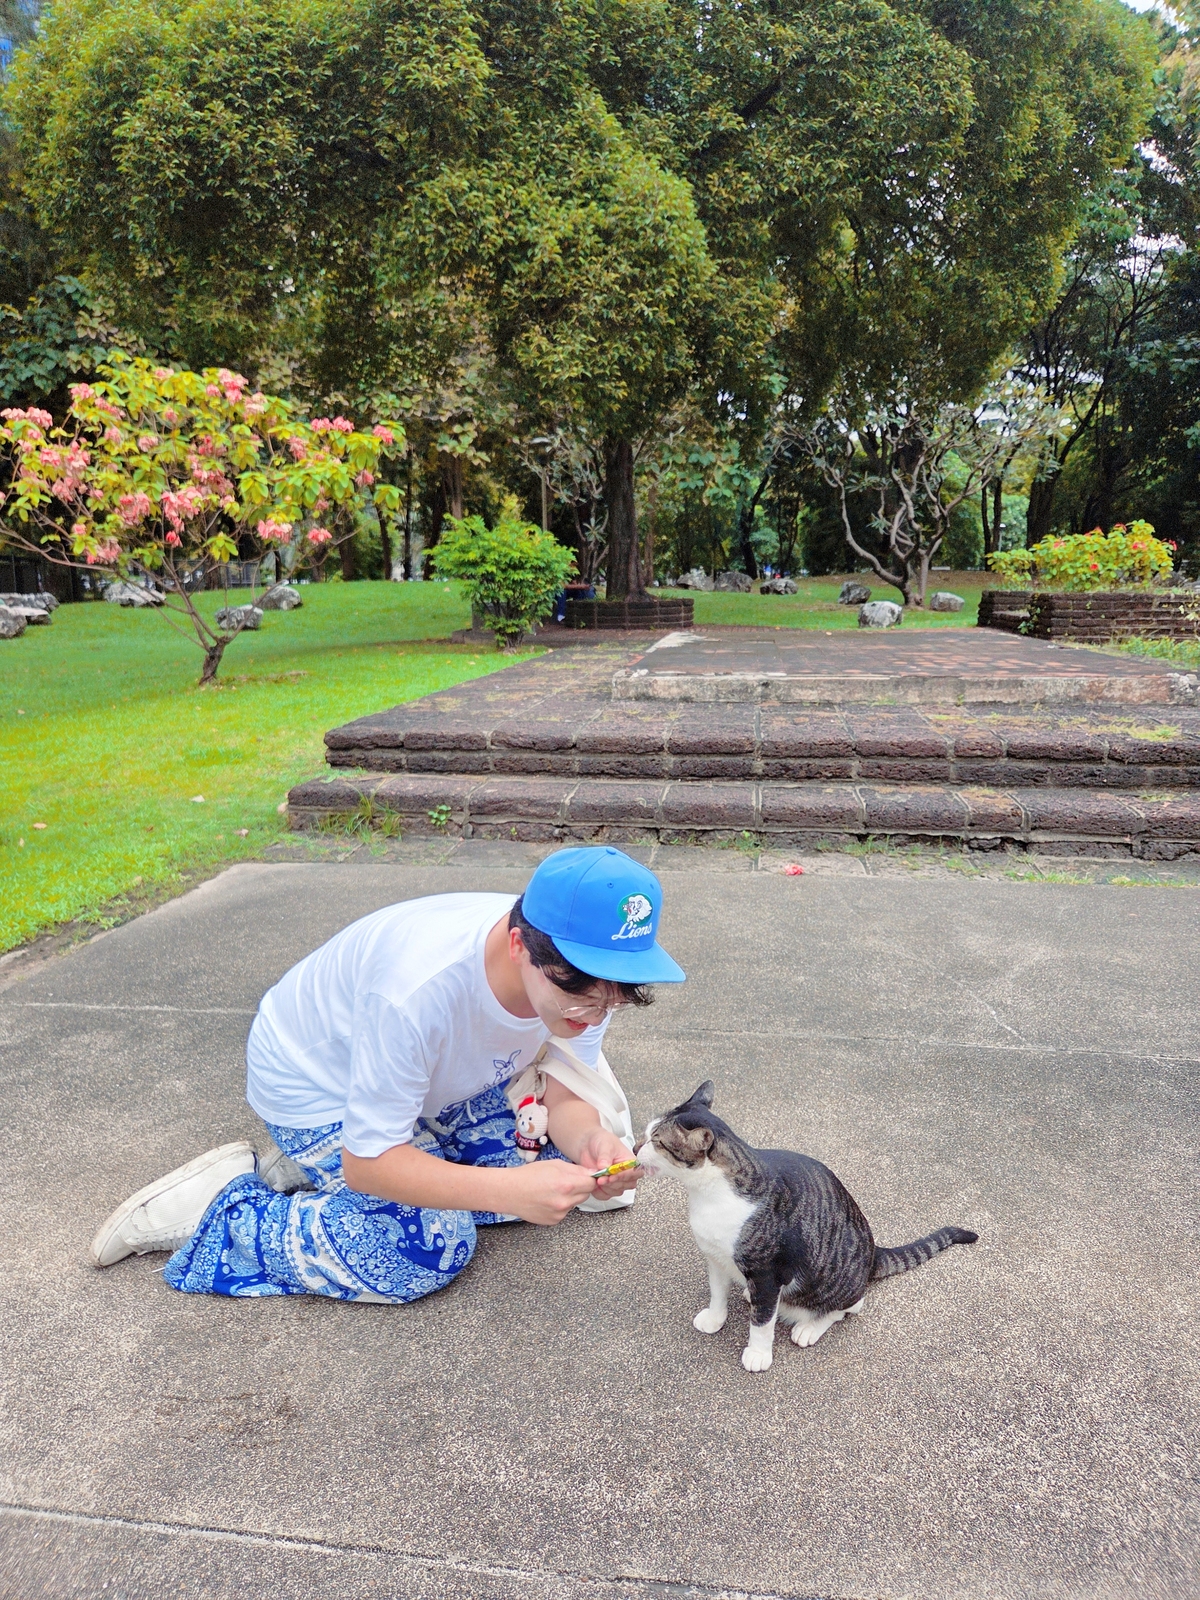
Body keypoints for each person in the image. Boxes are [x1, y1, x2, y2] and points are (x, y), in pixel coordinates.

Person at [88, 846, 685, 1303]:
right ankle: (221, 1212)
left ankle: (304, 1170)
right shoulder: (417, 990)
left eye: (613, 999)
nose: (591, 1014)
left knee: (542, 1164)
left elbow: (561, 1084)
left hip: (436, 1082)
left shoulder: (584, 970)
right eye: (578, 993)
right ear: (518, 944)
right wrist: (509, 1193)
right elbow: (374, 1161)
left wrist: (587, 1142)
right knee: (423, 1251)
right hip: (319, 1090)